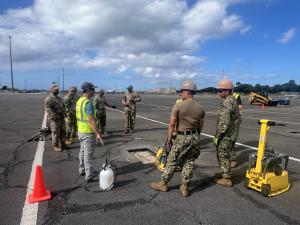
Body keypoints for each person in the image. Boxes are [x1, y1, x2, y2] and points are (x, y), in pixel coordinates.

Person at [151, 80, 205, 197]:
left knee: (172, 161)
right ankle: (185, 187)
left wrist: (170, 138)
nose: (180, 93)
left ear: (187, 91)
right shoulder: (200, 107)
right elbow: (200, 126)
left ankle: (163, 183)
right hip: (194, 137)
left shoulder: (178, 105)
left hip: (181, 137)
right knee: (189, 162)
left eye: (182, 91)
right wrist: (195, 136)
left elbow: (171, 124)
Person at [213, 79, 241, 187]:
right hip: (231, 134)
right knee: (224, 155)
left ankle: (227, 179)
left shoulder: (227, 102)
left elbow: (224, 123)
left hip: (226, 135)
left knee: (222, 156)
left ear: (228, 91)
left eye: (220, 90)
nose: (218, 93)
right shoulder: (232, 100)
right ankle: (225, 173)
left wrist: (217, 136)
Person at [76, 82, 104, 182]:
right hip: (87, 132)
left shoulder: (80, 101)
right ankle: (89, 174)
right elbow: (91, 120)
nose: (94, 91)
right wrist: (97, 133)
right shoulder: (88, 103)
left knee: (82, 152)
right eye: (92, 89)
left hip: (80, 130)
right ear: (88, 90)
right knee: (88, 154)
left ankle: (82, 169)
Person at [45, 84, 67, 152]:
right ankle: (55, 145)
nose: (57, 90)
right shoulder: (49, 99)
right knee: (55, 132)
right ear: (52, 90)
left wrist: (65, 113)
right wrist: (55, 116)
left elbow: (63, 107)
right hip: (54, 119)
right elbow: (48, 109)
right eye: (56, 89)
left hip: (61, 118)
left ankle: (63, 144)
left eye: (57, 89)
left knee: (63, 131)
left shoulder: (59, 98)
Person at [230, 92, 243, 168]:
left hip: (234, 120)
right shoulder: (226, 96)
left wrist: (230, 108)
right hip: (227, 120)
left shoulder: (236, 96)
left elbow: (240, 107)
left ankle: (233, 159)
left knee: (232, 139)